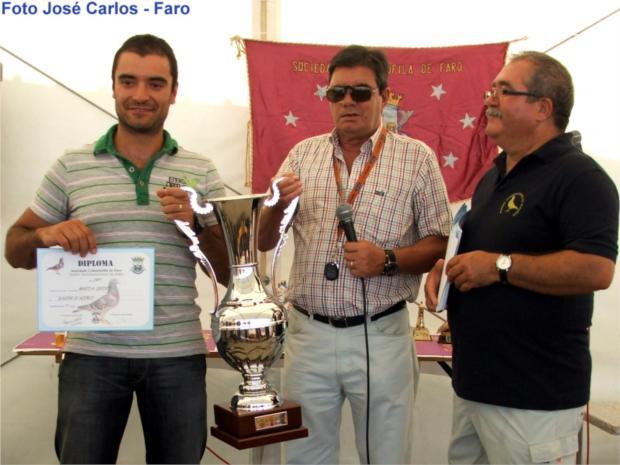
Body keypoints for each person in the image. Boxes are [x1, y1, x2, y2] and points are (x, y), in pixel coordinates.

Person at [4, 34, 229, 464]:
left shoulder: (200, 170)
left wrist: (198, 226)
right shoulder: (71, 166)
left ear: (174, 92)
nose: (140, 94)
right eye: (128, 81)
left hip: (176, 355)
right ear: (113, 87)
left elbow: (227, 271)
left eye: (155, 84)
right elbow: (14, 248)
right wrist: (44, 236)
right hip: (91, 355)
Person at [259, 45, 452, 464]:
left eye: (361, 92)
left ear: (384, 95)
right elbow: (264, 240)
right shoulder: (301, 155)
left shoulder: (416, 158)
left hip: (380, 333)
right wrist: (274, 206)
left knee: (385, 456)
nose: (348, 101)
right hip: (308, 334)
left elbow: (440, 243)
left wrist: (386, 260)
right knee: (304, 457)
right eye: (337, 93)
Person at [425, 51, 618, 464]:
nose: (489, 100)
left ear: (543, 108)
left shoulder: (581, 178)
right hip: (475, 388)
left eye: (504, 91)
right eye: (490, 90)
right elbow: (479, 252)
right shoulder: (493, 177)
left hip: (534, 400)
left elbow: (596, 269)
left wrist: (500, 267)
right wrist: (449, 270)